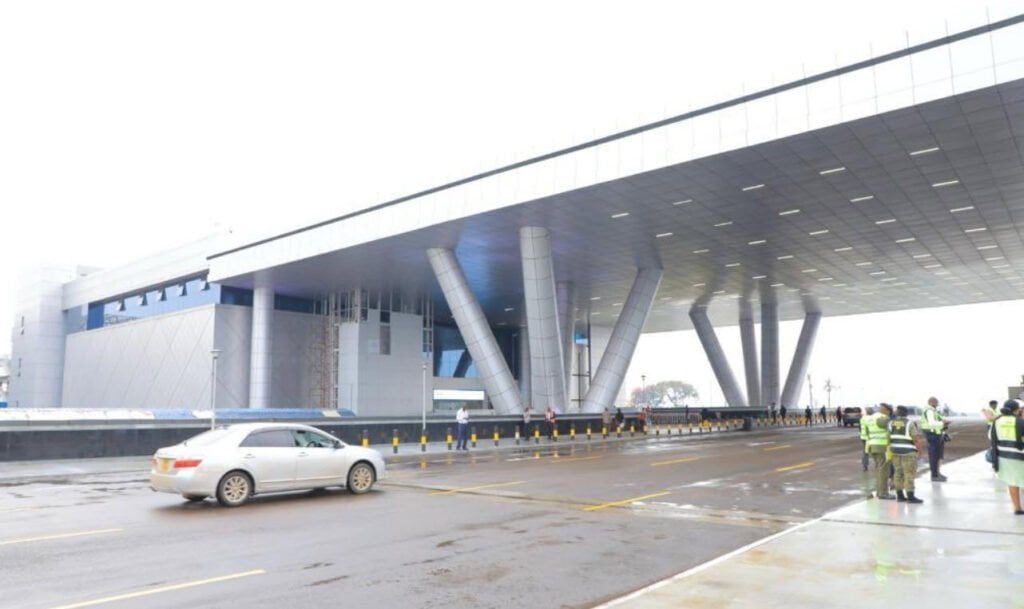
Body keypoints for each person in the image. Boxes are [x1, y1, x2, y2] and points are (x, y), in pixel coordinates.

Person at [990, 400, 1024, 515]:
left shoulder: (997, 421)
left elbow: (991, 436)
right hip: (1020, 456)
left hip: (1003, 456)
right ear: (1016, 409)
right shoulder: (1019, 421)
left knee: (1012, 481)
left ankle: (1017, 508)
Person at [888, 406, 924, 504]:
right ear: (906, 414)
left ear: (896, 413)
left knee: (897, 473)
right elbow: (916, 439)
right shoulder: (909, 423)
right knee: (909, 473)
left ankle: (900, 496)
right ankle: (910, 497)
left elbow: (888, 437)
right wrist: (920, 452)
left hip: (895, 451)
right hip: (908, 452)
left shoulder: (891, 423)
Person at [865, 403, 894, 499]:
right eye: (889, 411)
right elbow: (891, 431)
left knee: (878, 470)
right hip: (881, 446)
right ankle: (883, 493)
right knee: (883, 471)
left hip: (872, 445)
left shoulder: (870, 418)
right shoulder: (883, 418)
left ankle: (879, 491)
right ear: (886, 410)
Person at [922, 396, 950, 482]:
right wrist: (943, 423)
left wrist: (944, 423)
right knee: (934, 456)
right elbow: (932, 423)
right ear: (932, 402)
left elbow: (937, 421)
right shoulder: (929, 411)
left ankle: (937, 473)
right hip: (932, 435)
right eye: (936, 402)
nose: (937, 404)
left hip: (936, 435)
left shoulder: (934, 411)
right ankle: (934, 475)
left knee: (937, 456)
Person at [859, 406, 875, 472]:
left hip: (863, 438)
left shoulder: (862, 419)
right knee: (874, 452)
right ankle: (877, 465)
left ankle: (865, 466)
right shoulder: (873, 419)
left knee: (865, 452)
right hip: (871, 438)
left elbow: (860, 428)